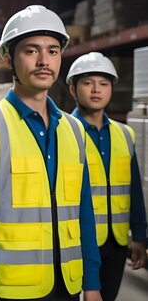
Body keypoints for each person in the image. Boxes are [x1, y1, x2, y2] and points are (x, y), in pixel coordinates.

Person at [0, 5, 103, 301]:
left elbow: (84, 212)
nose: (44, 61)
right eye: (31, 51)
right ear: (9, 58)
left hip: (69, 286)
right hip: (11, 291)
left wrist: (92, 283)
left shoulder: (74, 130)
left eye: (52, 51)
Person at [66, 52, 147, 300]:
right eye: (88, 83)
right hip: (75, 239)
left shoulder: (125, 134)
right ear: (73, 89)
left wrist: (140, 236)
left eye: (103, 83)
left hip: (116, 240)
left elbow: (133, 189)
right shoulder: (64, 132)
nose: (96, 90)